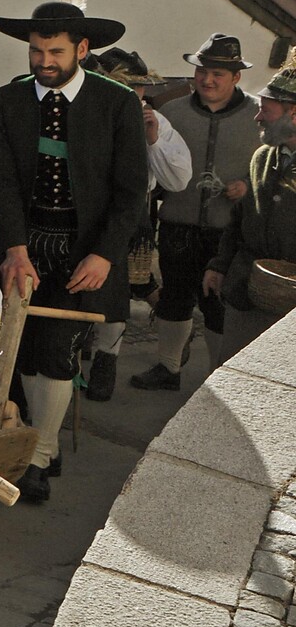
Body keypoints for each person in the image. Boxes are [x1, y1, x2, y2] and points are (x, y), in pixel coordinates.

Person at [0, 1, 147, 506]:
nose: (43, 60)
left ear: (82, 49)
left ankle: (39, 456)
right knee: (20, 347)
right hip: (26, 245)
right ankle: (34, 439)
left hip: (85, 251)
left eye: (54, 51)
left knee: (56, 349)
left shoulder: (116, 104)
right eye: (36, 50)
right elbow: (1, 182)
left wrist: (105, 255)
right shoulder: (6, 103)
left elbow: (130, 190)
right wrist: (14, 248)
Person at [137, 34, 259, 390]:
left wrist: (247, 188)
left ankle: (216, 381)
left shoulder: (257, 116)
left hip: (227, 230)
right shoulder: (171, 112)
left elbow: (271, 170)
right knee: (174, 299)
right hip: (178, 222)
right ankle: (168, 368)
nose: (207, 80)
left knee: (220, 308)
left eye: (218, 74)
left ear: (236, 77)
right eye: (202, 71)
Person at [80, 48, 192, 400]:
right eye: (129, 87)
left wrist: (154, 139)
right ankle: (71, 354)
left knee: (119, 290)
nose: (137, 96)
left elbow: (177, 181)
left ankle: (106, 359)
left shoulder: (152, 119)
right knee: (78, 285)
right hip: (82, 213)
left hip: (129, 216)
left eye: (141, 88)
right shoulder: (86, 111)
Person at [205, 64, 296, 362]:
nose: (257, 117)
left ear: (293, 114)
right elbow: (239, 221)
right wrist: (219, 266)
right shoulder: (262, 158)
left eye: (265, 111)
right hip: (247, 293)